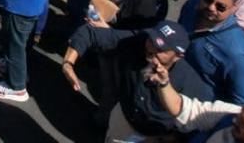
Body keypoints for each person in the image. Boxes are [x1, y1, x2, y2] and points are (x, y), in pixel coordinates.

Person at [61, 19, 211, 140]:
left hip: (152, 137)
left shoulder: (192, 85)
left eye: (160, 49)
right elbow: (90, 33)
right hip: (122, 118)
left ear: (178, 56)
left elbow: (199, 123)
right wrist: (68, 63)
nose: (151, 49)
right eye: (151, 41)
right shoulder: (138, 42)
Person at [179, 0, 244, 104]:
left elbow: (242, 101)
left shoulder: (237, 53)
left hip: (196, 109)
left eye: (221, 7)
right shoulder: (192, 6)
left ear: (233, 9)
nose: (211, 7)